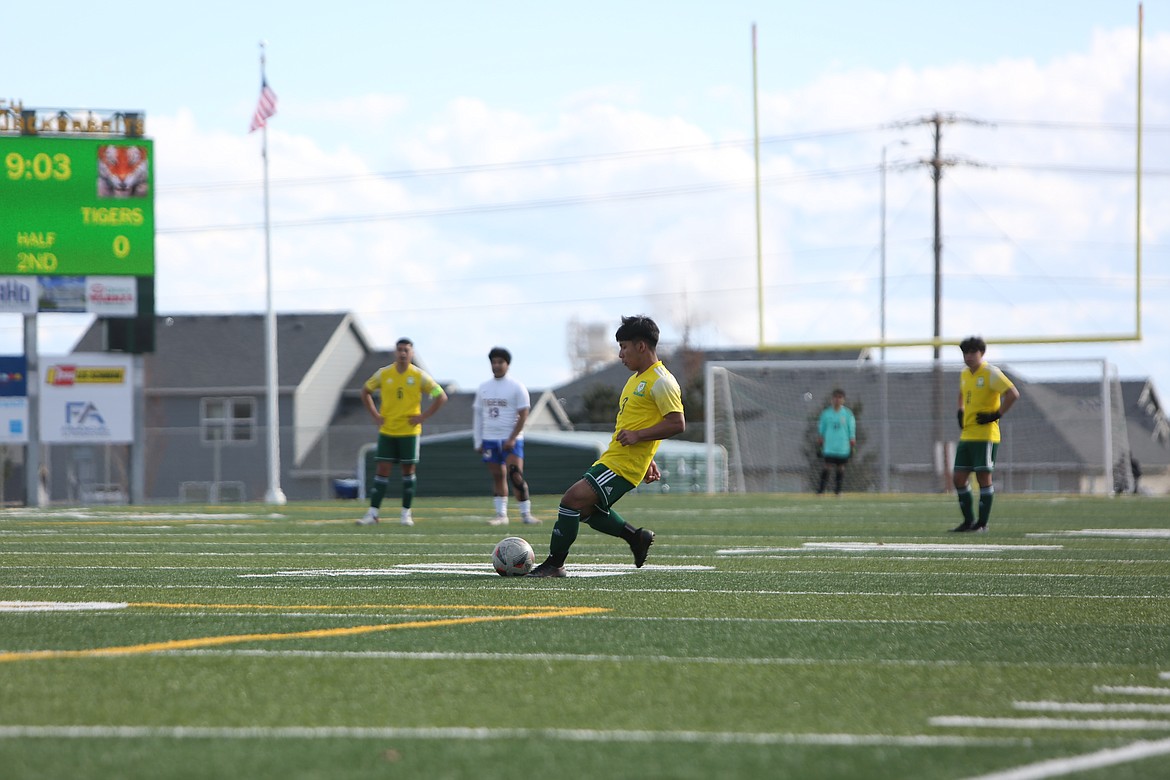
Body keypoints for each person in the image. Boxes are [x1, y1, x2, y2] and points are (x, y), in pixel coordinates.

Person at [528, 315, 685, 577]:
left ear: (641, 346)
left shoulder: (662, 381)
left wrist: (639, 440)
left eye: (624, 347)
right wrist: (648, 454)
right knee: (587, 510)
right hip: (616, 458)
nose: (620, 354)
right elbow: (647, 422)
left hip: (623, 464)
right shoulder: (637, 378)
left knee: (571, 501)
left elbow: (677, 423)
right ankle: (636, 537)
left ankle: (555, 565)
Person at [356, 338, 448, 527]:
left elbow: (441, 395)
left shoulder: (419, 375)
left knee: (408, 471)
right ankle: (373, 514)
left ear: (412, 353)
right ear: (395, 352)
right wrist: (375, 414)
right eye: (400, 350)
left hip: (409, 431)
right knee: (382, 470)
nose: (403, 353)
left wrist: (423, 416)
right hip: (388, 430)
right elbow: (365, 391)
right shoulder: (384, 374)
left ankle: (406, 514)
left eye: (406, 350)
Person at [951, 336, 1020, 533]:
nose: (968, 356)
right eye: (965, 352)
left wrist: (996, 415)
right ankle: (968, 521)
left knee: (983, 478)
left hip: (986, 436)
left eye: (973, 352)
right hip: (967, 434)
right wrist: (960, 410)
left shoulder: (991, 373)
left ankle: (982, 524)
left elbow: (1013, 393)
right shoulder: (965, 374)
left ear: (981, 353)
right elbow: (961, 394)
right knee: (958, 478)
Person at [473, 346, 540, 526]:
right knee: (497, 476)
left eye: (500, 362)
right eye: (493, 362)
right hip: (489, 439)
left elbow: (524, 413)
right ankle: (501, 515)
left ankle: (526, 514)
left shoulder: (516, 387)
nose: (496, 365)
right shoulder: (483, 388)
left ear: (507, 364)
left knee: (515, 475)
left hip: (511, 439)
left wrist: (512, 438)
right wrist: (478, 440)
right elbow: (478, 415)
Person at [816, 388, 856, 495]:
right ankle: (821, 490)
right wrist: (820, 437)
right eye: (835, 397)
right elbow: (822, 427)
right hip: (829, 446)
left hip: (843, 446)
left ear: (843, 400)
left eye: (840, 397)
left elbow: (851, 427)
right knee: (827, 466)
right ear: (832, 399)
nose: (837, 400)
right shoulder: (826, 413)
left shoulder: (847, 414)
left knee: (841, 468)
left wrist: (852, 439)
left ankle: (838, 490)